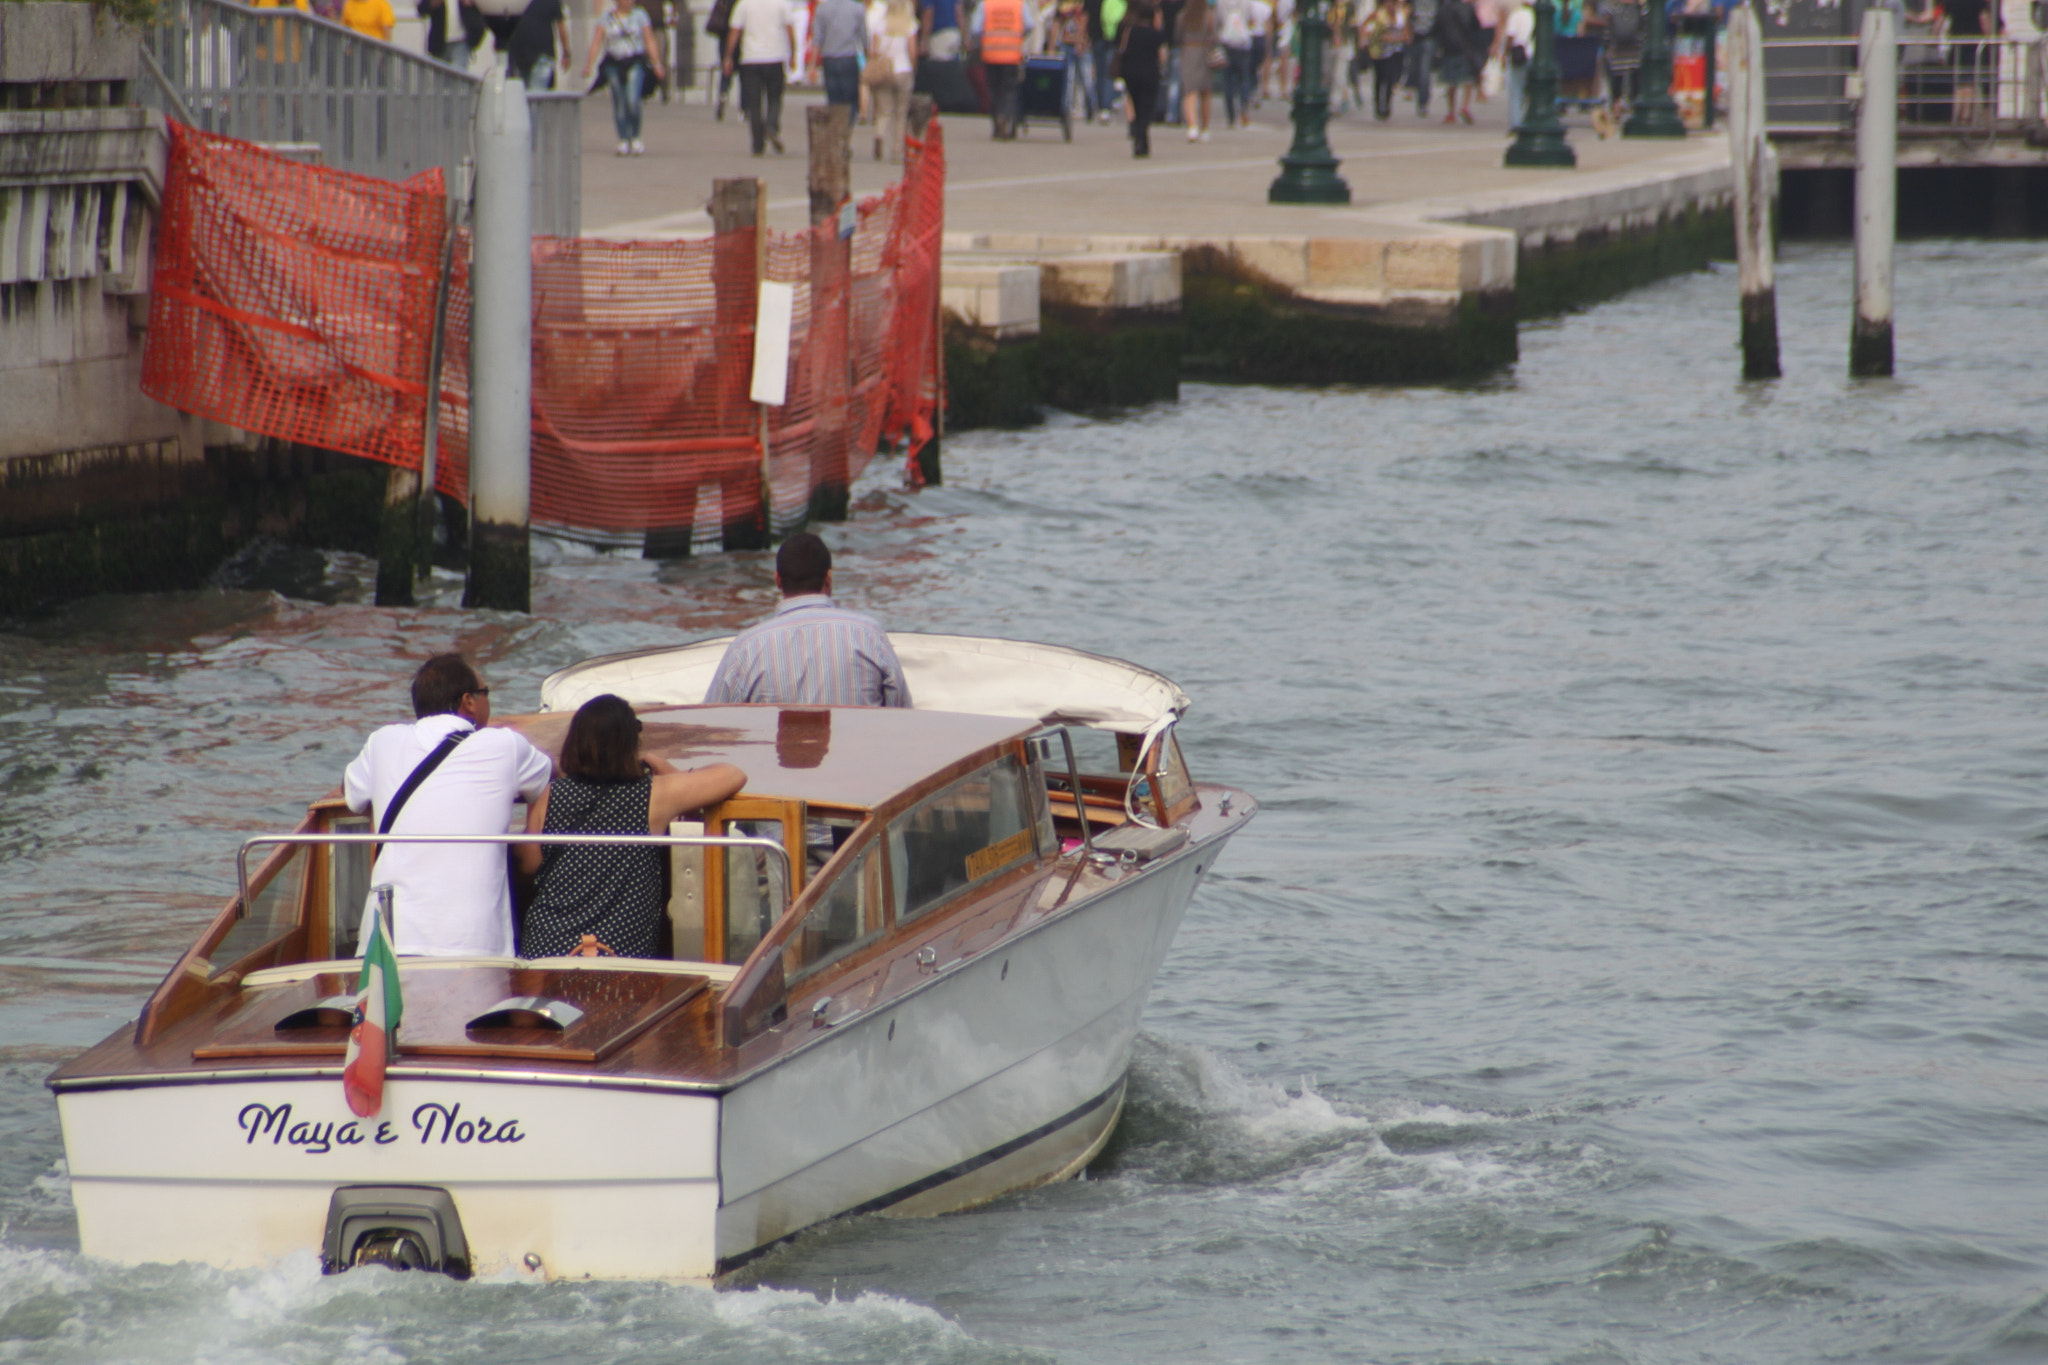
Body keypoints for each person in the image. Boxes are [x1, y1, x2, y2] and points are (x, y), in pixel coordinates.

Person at [343, 654, 553, 959]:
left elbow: (353, 795)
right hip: (472, 944)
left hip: (387, 940)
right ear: (469, 701)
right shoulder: (504, 745)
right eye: (486, 693)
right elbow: (551, 779)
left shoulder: (382, 742)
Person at [515, 695, 746, 959]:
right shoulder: (654, 795)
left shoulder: (551, 795)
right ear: (630, 743)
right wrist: (658, 763)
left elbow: (529, 866)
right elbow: (732, 774)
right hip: (619, 953)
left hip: (547, 947)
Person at [705, 533, 912, 706]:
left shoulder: (746, 648)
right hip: (858, 754)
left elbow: (711, 728)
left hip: (776, 756)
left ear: (777, 580)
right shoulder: (869, 634)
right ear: (828, 577)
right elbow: (902, 717)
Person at [585, 0, 667, 154]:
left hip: (634, 61)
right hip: (613, 63)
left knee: (632, 99)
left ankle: (635, 137)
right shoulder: (606, 18)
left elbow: (649, 40)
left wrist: (657, 64)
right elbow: (597, 42)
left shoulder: (640, 15)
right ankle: (623, 139)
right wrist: (589, 64)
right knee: (619, 100)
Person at [727, 0, 799, 154]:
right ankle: (771, 126)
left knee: (754, 104)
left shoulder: (743, 5)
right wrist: (792, 54)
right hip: (775, 58)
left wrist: (728, 57)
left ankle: (757, 145)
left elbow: (735, 32)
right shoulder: (782, 4)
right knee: (774, 98)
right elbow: (789, 31)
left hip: (751, 60)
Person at [975, 0, 1038, 138]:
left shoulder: (985, 4)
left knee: (993, 90)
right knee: (1009, 90)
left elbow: (976, 28)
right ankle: (1004, 117)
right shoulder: (1020, 4)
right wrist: (1018, 36)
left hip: (990, 54)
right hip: (1011, 55)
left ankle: (996, 120)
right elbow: (1029, 25)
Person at [865, 0, 919, 159]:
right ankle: (897, 151)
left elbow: (873, 51)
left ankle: (880, 136)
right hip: (903, 70)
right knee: (901, 113)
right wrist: (913, 67)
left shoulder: (880, 25)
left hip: (884, 73)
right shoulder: (910, 25)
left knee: (884, 111)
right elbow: (913, 51)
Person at [1113, 0, 1166, 154]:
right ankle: (1141, 138)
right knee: (1146, 107)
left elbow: (1119, 47)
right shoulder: (1156, 34)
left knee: (1136, 104)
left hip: (1130, 72)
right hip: (1149, 73)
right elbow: (1162, 56)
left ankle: (1140, 138)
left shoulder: (1129, 31)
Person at [1433, 0, 1485, 121]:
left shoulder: (1442, 10)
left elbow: (1436, 29)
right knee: (1468, 79)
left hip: (1448, 49)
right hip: (1466, 48)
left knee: (1451, 82)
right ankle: (1465, 106)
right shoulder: (1468, 8)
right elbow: (1476, 27)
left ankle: (1451, 112)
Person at [811, 0, 868, 109]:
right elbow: (863, 37)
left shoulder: (822, 9)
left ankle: (837, 122)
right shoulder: (857, 8)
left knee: (833, 98)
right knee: (850, 98)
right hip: (848, 58)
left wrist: (812, 65)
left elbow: (817, 39)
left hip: (829, 58)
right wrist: (867, 57)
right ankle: (847, 123)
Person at [1360, 0, 1411, 119]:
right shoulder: (1378, 14)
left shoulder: (1402, 15)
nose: (1390, 5)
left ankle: (1387, 106)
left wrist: (1398, 38)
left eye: (1393, 3)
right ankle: (1378, 105)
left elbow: (1406, 34)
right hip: (1378, 51)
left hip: (1395, 51)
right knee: (1379, 79)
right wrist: (1365, 37)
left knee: (1390, 78)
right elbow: (1364, 24)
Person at [507, 0, 570, 90]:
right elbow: (561, 26)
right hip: (541, 53)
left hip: (519, 54)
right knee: (537, 96)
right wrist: (566, 53)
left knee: (519, 96)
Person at [1177, 0, 1216, 139]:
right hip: (1204, 53)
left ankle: (1192, 126)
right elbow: (1215, 36)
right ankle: (1205, 128)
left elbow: (1177, 36)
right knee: (1205, 92)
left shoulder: (1183, 16)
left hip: (1188, 52)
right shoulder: (1209, 16)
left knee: (1189, 92)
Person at [418, 0, 486, 70]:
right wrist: (432, 4)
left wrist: (471, 3)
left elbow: (483, 7)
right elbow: (421, 9)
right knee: (440, 76)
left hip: (461, 41)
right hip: (439, 42)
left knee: (459, 74)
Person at [1217, 0, 1254, 124]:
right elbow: (1249, 19)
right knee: (1244, 78)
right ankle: (1244, 107)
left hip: (1227, 42)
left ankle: (1230, 115)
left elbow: (1219, 20)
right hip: (1243, 43)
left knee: (1227, 80)